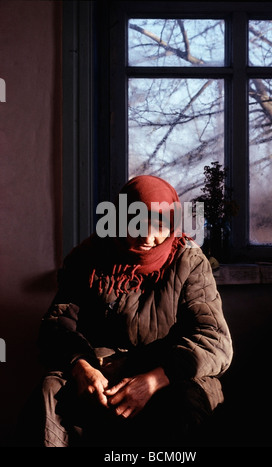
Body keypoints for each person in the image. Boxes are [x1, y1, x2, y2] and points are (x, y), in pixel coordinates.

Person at [22, 175, 233, 447]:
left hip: (167, 374)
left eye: (159, 225)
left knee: (187, 406)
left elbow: (214, 340)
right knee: (50, 393)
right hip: (100, 371)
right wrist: (80, 366)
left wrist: (155, 380)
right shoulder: (90, 256)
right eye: (137, 224)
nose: (148, 237)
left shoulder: (188, 260)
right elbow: (56, 325)